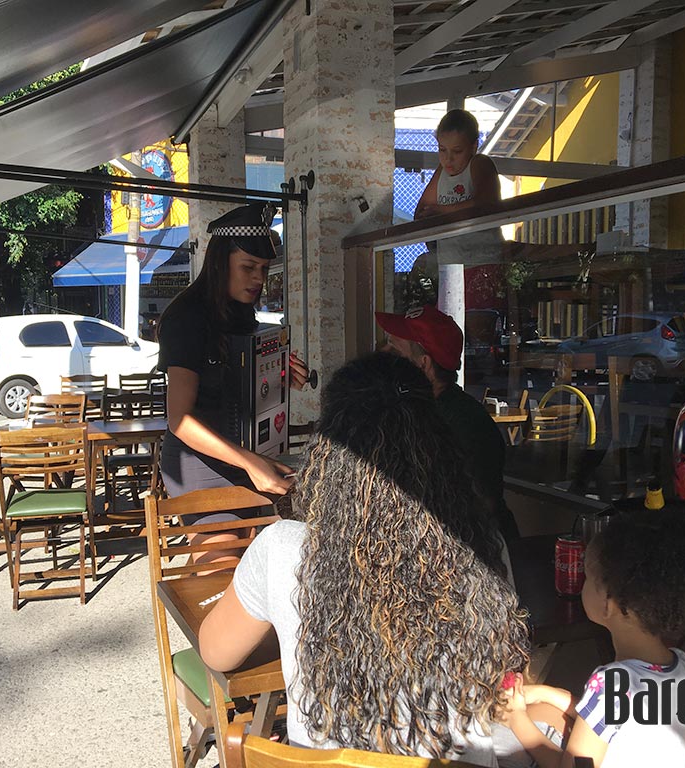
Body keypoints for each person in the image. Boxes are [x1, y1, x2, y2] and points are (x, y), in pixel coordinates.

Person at [199, 352, 531, 764]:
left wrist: (284, 613)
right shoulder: (481, 544)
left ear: (328, 450)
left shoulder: (282, 548)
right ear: (440, 447)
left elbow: (216, 652)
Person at [503, 504, 685, 768]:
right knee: (544, 710)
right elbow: (614, 722)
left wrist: (515, 718)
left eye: (588, 577)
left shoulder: (612, 684)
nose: (583, 584)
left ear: (609, 603)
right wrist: (547, 693)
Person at [157, 202, 309, 507]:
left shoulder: (240, 314)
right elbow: (180, 420)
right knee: (230, 540)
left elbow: (240, 389)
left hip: (244, 454)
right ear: (219, 263)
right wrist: (250, 461)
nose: (259, 279)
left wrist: (280, 376)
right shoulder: (186, 317)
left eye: (264, 268)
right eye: (248, 267)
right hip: (197, 462)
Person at [376, 304, 517, 546]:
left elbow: (475, 505)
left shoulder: (464, 422)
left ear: (423, 365)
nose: (383, 356)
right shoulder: (419, 411)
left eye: (394, 353)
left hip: (479, 553)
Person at [414, 109, 501, 221]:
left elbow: (486, 203)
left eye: (457, 151)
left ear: (473, 147)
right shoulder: (442, 170)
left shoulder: (479, 163)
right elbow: (422, 211)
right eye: (442, 150)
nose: (448, 159)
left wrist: (442, 211)